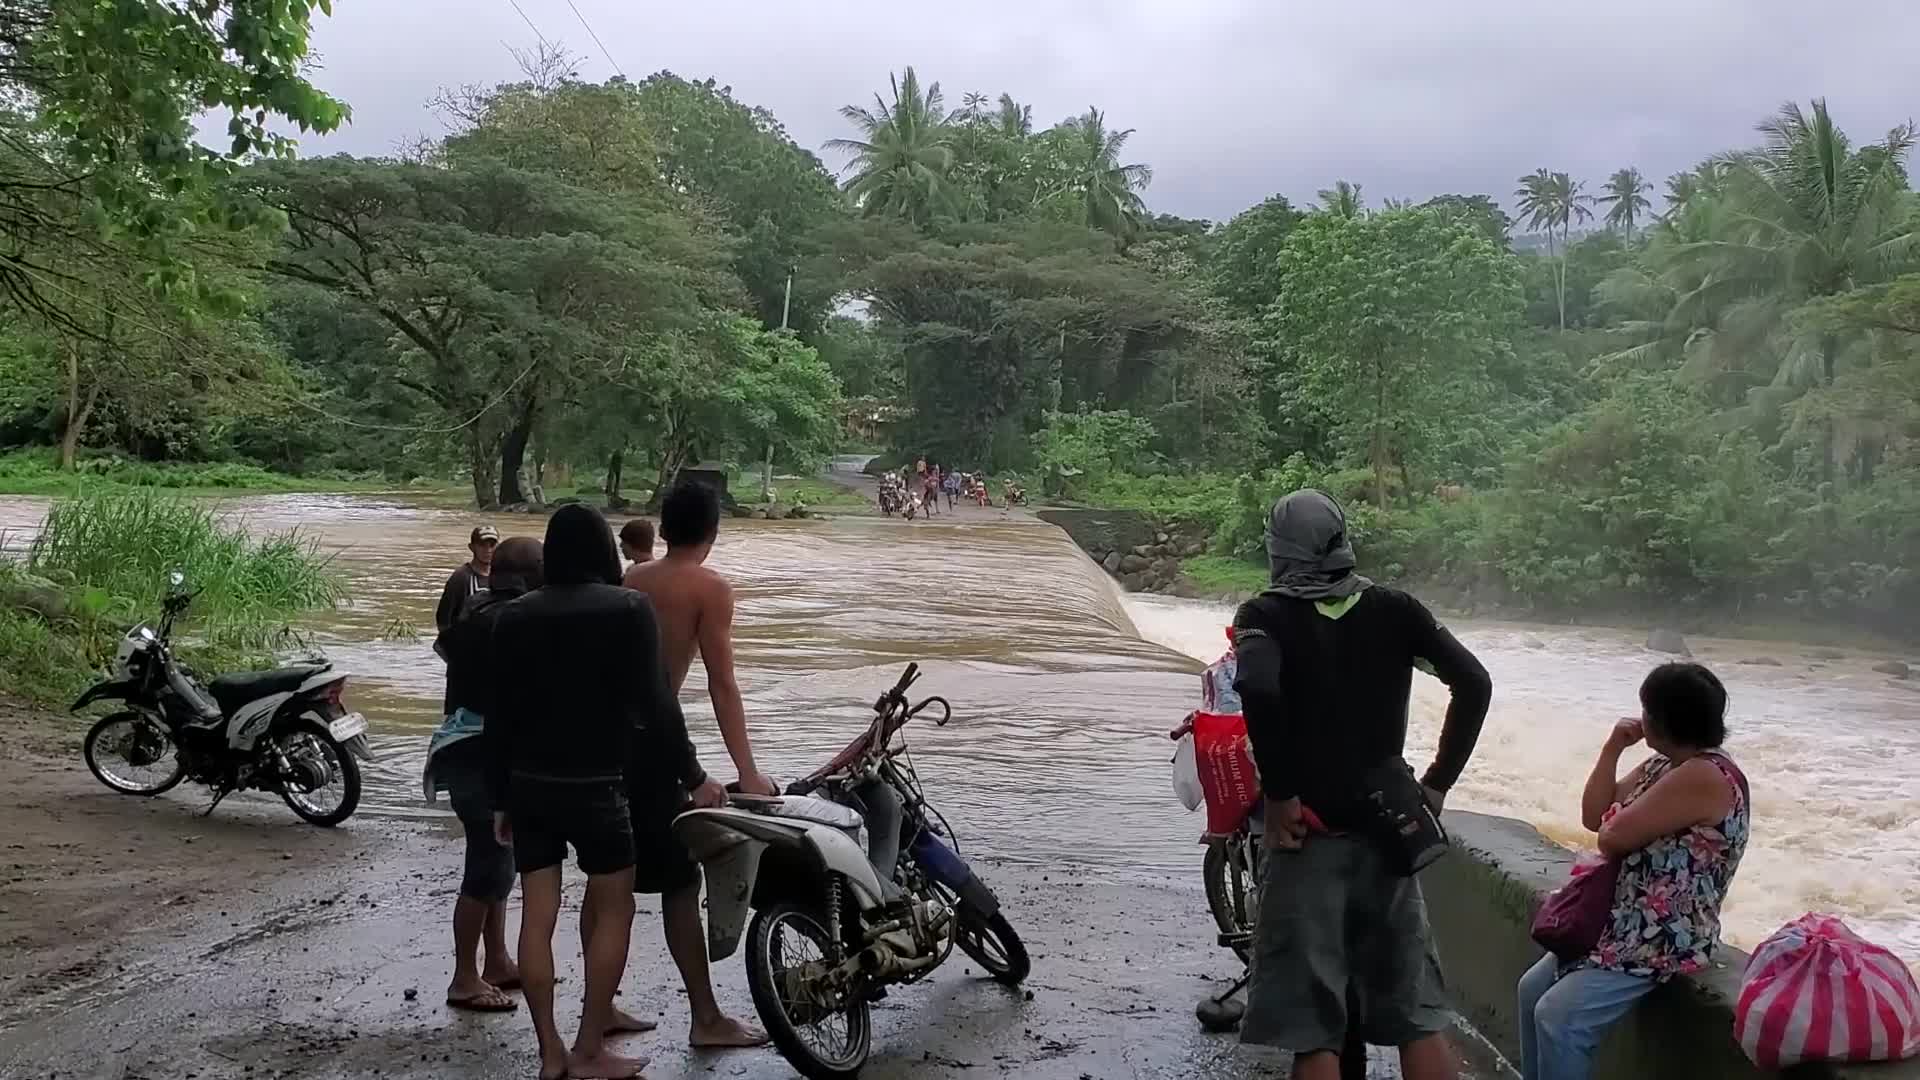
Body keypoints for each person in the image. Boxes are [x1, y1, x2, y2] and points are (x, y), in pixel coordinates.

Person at [1232, 489, 1493, 1080]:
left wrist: (1279, 796)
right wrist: (1436, 784)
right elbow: (1474, 683)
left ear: (1279, 552)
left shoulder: (1265, 616)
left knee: (1315, 1027)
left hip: (1309, 836)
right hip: (1390, 833)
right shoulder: (1395, 609)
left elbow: (1259, 688)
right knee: (1416, 1017)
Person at [487, 505, 723, 1080]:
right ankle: (590, 1046)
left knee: (537, 916)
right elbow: (657, 704)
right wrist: (693, 776)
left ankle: (550, 1055)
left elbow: (500, 716)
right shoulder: (626, 608)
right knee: (613, 908)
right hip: (598, 785)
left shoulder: (513, 616)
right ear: (604, 552)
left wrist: (501, 796)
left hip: (530, 786)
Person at [1517, 663, 1749, 1080]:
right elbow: (1593, 817)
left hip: (1665, 935)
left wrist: (1616, 821)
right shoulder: (1665, 766)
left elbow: (1610, 839)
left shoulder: (1704, 774)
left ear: (1660, 720)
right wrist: (1612, 748)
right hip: (1622, 924)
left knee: (1559, 1016)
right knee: (1531, 991)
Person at [618, 479, 775, 1049]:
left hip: (611, 746)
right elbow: (722, 683)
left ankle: (601, 1005)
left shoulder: (632, 578)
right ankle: (706, 1018)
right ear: (712, 533)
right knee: (680, 883)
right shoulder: (709, 586)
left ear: (662, 528)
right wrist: (748, 771)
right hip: (656, 744)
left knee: (611, 879)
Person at [426, 536, 542, 1014]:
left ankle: (495, 959)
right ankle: (464, 977)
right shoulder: (514, 622)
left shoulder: (478, 607)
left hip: (461, 743)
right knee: (488, 863)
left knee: (499, 855)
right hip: (483, 752)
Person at [436, 525, 498, 632]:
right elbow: (443, 618)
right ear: (471, 547)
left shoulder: (502, 575)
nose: (488, 550)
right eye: (482, 545)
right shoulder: (461, 577)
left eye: (492, 545)